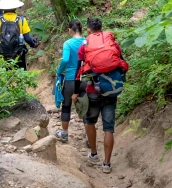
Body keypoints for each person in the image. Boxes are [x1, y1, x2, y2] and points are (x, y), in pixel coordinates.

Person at [75, 17, 129, 174]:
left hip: (92, 90)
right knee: (108, 128)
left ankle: (93, 154)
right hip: (111, 90)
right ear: (102, 28)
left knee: (90, 121)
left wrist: (76, 92)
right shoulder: (112, 43)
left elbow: (79, 72)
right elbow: (121, 63)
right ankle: (107, 164)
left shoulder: (84, 45)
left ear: (89, 30)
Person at [54, 19, 85, 143]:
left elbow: (65, 60)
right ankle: (89, 137)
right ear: (81, 29)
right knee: (86, 107)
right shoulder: (87, 42)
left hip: (71, 79)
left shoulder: (68, 43)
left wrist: (59, 71)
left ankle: (64, 134)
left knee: (66, 106)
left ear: (69, 30)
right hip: (85, 78)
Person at [0, 0, 38, 71]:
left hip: (2, 52)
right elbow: (27, 38)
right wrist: (34, 44)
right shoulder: (21, 20)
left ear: (2, 8)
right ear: (16, 7)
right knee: (21, 75)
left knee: (4, 74)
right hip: (19, 52)